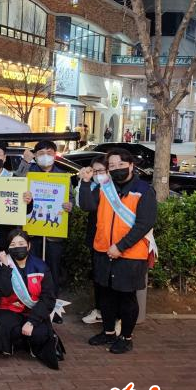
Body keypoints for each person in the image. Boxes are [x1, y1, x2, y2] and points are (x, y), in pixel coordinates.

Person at [78, 148, 157, 354]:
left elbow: (144, 224)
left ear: (131, 165)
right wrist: (85, 183)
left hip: (131, 254)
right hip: (103, 250)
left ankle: (126, 337)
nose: (116, 169)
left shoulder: (143, 190)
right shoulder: (105, 187)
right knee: (106, 295)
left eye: (121, 165)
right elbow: (87, 206)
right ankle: (108, 332)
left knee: (126, 297)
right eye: (112, 166)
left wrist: (120, 247)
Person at [17, 140, 74, 315]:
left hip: (54, 234)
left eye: (49, 153)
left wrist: (70, 206)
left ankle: (51, 309)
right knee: (30, 269)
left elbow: (71, 199)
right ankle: (30, 305)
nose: (45, 156)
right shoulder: (29, 172)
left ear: (55, 155)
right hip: (31, 233)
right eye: (41, 153)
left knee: (53, 271)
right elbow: (15, 184)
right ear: (35, 155)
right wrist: (25, 162)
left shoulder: (63, 176)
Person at [0, 230, 63, 369]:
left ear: (29, 246)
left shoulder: (41, 266)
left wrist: (32, 321)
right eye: (13, 244)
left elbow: (48, 298)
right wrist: (5, 267)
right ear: (8, 248)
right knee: (8, 329)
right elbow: (4, 291)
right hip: (10, 308)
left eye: (21, 244)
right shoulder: (4, 264)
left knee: (40, 334)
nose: (17, 247)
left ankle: (32, 343)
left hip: (34, 310)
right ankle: (21, 343)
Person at [81, 159, 108, 326]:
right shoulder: (96, 188)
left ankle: (116, 316)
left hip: (113, 243)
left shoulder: (116, 189)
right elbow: (87, 206)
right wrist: (85, 182)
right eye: (95, 171)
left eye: (101, 171)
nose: (98, 175)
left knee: (112, 281)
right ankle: (99, 310)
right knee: (98, 278)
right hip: (96, 240)